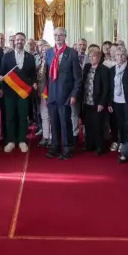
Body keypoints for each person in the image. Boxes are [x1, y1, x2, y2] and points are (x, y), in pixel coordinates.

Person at [44, 27, 82, 159]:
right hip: (52, 95)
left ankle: (67, 148)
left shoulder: (72, 53)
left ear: (65, 37)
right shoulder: (49, 52)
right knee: (53, 121)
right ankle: (55, 146)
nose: (58, 37)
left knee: (65, 122)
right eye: (55, 35)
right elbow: (46, 75)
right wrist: (45, 93)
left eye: (60, 35)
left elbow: (78, 77)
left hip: (65, 95)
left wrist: (74, 94)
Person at [0, 32, 37, 153]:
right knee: (9, 116)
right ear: (14, 41)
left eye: (22, 40)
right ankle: (11, 141)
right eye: (17, 40)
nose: (19, 42)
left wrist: (35, 82)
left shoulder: (30, 57)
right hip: (9, 92)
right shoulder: (7, 56)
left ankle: (22, 141)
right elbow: (2, 72)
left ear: (24, 41)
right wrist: (0, 82)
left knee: (23, 117)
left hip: (23, 92)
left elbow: (33, 75)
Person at [78, 49, 111, 155]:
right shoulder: (87, 67)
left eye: (94, 56)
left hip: (97, 102)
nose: (92, 58)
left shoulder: (104, 69)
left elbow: (106, 88)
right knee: (88, 125)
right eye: (90, 56)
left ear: (99, 57)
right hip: (87, 101)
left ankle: (100, 147)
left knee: (97, 125)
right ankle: (89, 145)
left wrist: (102, 103)